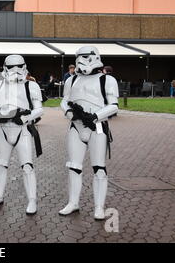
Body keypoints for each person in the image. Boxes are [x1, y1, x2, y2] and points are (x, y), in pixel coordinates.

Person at [59, 46, 119, 220]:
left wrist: (95, 117)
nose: (81, 60)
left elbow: (114, 105)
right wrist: (68, 112)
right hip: (75, 127)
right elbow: (65, 101)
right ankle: (73, 202)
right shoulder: (71, 80)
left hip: (97, 128)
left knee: (99, 168)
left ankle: (99, 207)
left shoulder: (107, 80)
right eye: (78, 57)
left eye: (85, 57)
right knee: (74, 166)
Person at [0, 55, 44, 215]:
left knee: (27, 166)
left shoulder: (31, 86)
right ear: (5, 68)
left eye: (19, 66)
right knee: (1, 164)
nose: (16, 70)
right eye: (12, 67)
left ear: (24, 67)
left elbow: (39, 109)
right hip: (3, 129)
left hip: (23, 130)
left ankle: (32, 200)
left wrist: (25, 118)